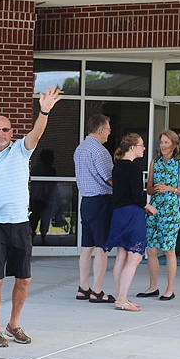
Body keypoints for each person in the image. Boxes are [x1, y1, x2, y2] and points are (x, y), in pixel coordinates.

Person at [0, 85, 62, 348]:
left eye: (5, 130)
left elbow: (36, 133)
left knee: (24, 278)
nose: (1, 133)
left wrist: (44, 111)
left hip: (20, 223)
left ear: (12, 133)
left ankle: (14, 324)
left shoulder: (20, 150)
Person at [104, 133, 156, 311]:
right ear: (132, 147)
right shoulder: (132, 168)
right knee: (135, 257)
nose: (143, 148)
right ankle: (122, 299)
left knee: (121, 256)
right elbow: (137, 196)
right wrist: (149, 206)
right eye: (141, 145)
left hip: (119, 213)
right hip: (132, 214)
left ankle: (121, 297)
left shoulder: (118, 167)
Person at [138, 129, 180, 301]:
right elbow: (150, 187)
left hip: (171, 210)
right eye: (161, 142)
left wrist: (170, 189)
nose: (162, 145)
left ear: (175, 145)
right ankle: (153, 286)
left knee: (168, 250)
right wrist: (156, 188)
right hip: (154, 208)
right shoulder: (155, 162)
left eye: (166, 142)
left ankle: (170, 289)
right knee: (151, 249)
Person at [72, 114, 114, 303]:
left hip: (86, 201)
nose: (109, 133)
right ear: (100, 130)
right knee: (102, 248)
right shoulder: (100, 151)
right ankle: (97, 291)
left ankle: (83, 287)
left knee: (87, 247)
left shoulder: (79, 149)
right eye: (108, 129)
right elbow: (109, 177)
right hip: (100, 201)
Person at [29, 149, 57, 246]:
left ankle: (31, 238)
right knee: (45, 219)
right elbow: (53, 184)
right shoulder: (50, 169)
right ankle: (43, 238)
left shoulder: (36, 168)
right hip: (46, 197)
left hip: (36, 197)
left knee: (34, 219)